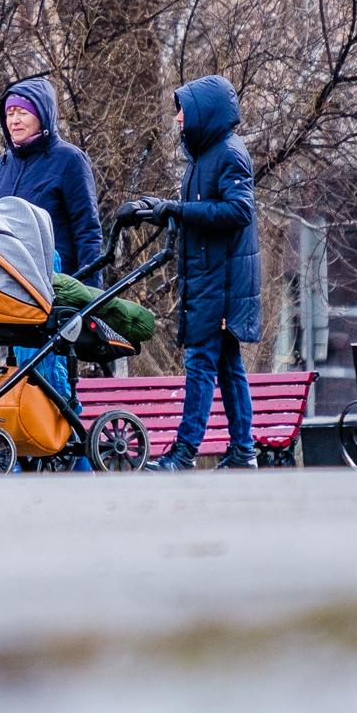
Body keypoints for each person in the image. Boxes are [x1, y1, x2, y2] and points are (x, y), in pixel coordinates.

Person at [129, 74, 260, 470]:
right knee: (226, 365)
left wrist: (178, 209)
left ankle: (184, 453)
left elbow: (240, 210)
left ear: (203, 112)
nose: (178, 119)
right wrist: (162, 209)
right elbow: (197, 214)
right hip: (208, 279)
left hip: (221, 284)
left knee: (201, 363)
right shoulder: (203, 157)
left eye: (183, 110)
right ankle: (243, 451)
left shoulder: (228, 154)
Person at [0, 78, 104, 276]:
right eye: (9, 113)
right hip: (4, 286)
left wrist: (90, 296)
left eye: (23, 113)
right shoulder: (2, 164)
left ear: (42, 116)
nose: (14, 121)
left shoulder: (69, 159)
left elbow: (87, 234)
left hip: (55, 286)